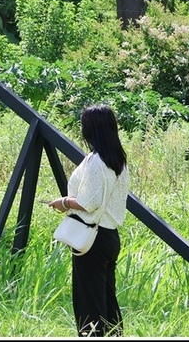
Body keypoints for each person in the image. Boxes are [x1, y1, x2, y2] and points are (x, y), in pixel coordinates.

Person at [48, 104, 130, 337]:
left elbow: (89, 202)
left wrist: (63, 202)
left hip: (91, 236)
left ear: (90, 129)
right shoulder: (118, 159)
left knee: (88, 303)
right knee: (107, 300)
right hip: (110, 236)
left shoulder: (95, 161)